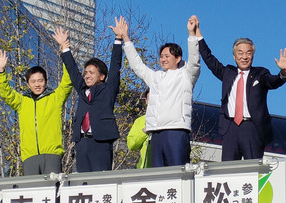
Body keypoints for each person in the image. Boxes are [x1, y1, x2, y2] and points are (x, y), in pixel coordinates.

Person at [195, 16, 286, 161]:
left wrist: (283, 73)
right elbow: (210, 59)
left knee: (252, 170)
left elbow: (273, 82)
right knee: (228, 171)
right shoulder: (228, 72)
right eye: (240, 53)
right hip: (230, 127)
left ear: (253, 55)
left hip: (252, 128)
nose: (244, 57)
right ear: (234, 56)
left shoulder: (260, 73)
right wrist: (197, 35)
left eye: (248, 53)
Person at [121, 15, 201, 167]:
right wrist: (126, 38)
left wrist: (192, 35)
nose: (163, 59)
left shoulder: (186, 75)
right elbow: (137, 66)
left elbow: (195, 62)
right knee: (157, 177)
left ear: (177, 58)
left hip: (176, 131)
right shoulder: (155, 77)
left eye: (167, 56)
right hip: (156, 133)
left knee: (178, 174)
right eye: (161, 56)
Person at [52, 17, 124, 173]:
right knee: (83, 183)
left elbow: (115, 66)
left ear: (102, 76)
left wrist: (118, 39)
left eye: (92, 73)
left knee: (100, 182)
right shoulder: (82, 89)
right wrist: (64, 47)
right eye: (86, 73)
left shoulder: (108, 89)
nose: (87, 76)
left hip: (100, 141)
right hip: (82, 143)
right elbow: (72, 70)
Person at [0, 44, 73, 175]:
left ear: (46, 82)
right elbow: (6, 93)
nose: (37, 84)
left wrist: (65, 50)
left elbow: (67, 80)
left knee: (52, 192)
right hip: (29, 157)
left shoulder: (56, 98)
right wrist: (1, 71)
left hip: (52, 155)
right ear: (28, 84)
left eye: (40, 81)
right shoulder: (22, 102)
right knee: (31, 192)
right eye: (33, 81)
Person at [127, 89, 151, 169]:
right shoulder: (140, 121)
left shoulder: (168, 121)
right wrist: (144, 132)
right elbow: (131, 145)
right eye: (150, 99)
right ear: (146, 101)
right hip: (144, 170)